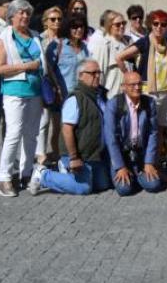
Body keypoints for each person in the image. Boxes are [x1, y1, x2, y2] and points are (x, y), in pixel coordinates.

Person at [28, 59, 111, 196]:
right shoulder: (75, 99)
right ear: (80, 75)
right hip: (78, 155)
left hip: (94, 155)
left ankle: (67, 174)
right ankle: (43, 174)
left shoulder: (100, 95)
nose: (97, 76)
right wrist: (74, 157)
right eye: (92, 73)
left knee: (103, 184)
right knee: (83, 188)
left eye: (98, 72)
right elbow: (67, 130)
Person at [0, 0, 46, 197]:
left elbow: (41, 63)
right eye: (20, 13)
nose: (24, 16)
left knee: (32, 134)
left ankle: (26, 173)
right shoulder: (3, 38)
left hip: (35, 91)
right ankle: (4, 178)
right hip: (14, 91)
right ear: (11, 16)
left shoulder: (35, 36)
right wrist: (26, 66)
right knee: (13, 134)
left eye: (27, 13)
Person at [116, 9, 167, 167]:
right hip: (149, 91)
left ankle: (159, 160)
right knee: (148, 127)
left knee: (164, 127)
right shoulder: (145, 42)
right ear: (150, 24)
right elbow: (120, 57)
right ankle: (145, 161)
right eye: (155, 23)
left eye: (163, 24)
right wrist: (130, 76)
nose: (159, 27)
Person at [102, 71, 162, 196]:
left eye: (139, 84)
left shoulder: (149, 103)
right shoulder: (113, 104)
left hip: (141, 155)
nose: (137, 87)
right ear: (123, 87)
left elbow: (153, 133)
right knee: (124, 190)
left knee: (154, 185)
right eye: (132, 84)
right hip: (122, 155)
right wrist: (120, 166)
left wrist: (149, 162)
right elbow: (110, 138)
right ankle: (129, 174)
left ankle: (137, 174)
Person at [35, 6, 64, 167]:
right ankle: (41, 154)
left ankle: (57, 151)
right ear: (45, 21)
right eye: (52, 19)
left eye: (59, 19)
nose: (56, 22)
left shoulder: (64, 39)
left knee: (59, 123)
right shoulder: (39, 39)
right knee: (44, 121)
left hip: (63, 84)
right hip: (46, 85)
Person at [92, 10, 131, 98]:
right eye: (117, 24)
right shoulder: (104, 44)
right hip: (111, 95)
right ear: (109, 26)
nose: (121, 26)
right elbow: (100, 72)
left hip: (126, 95)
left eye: (123, 23)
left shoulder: (126, 43)